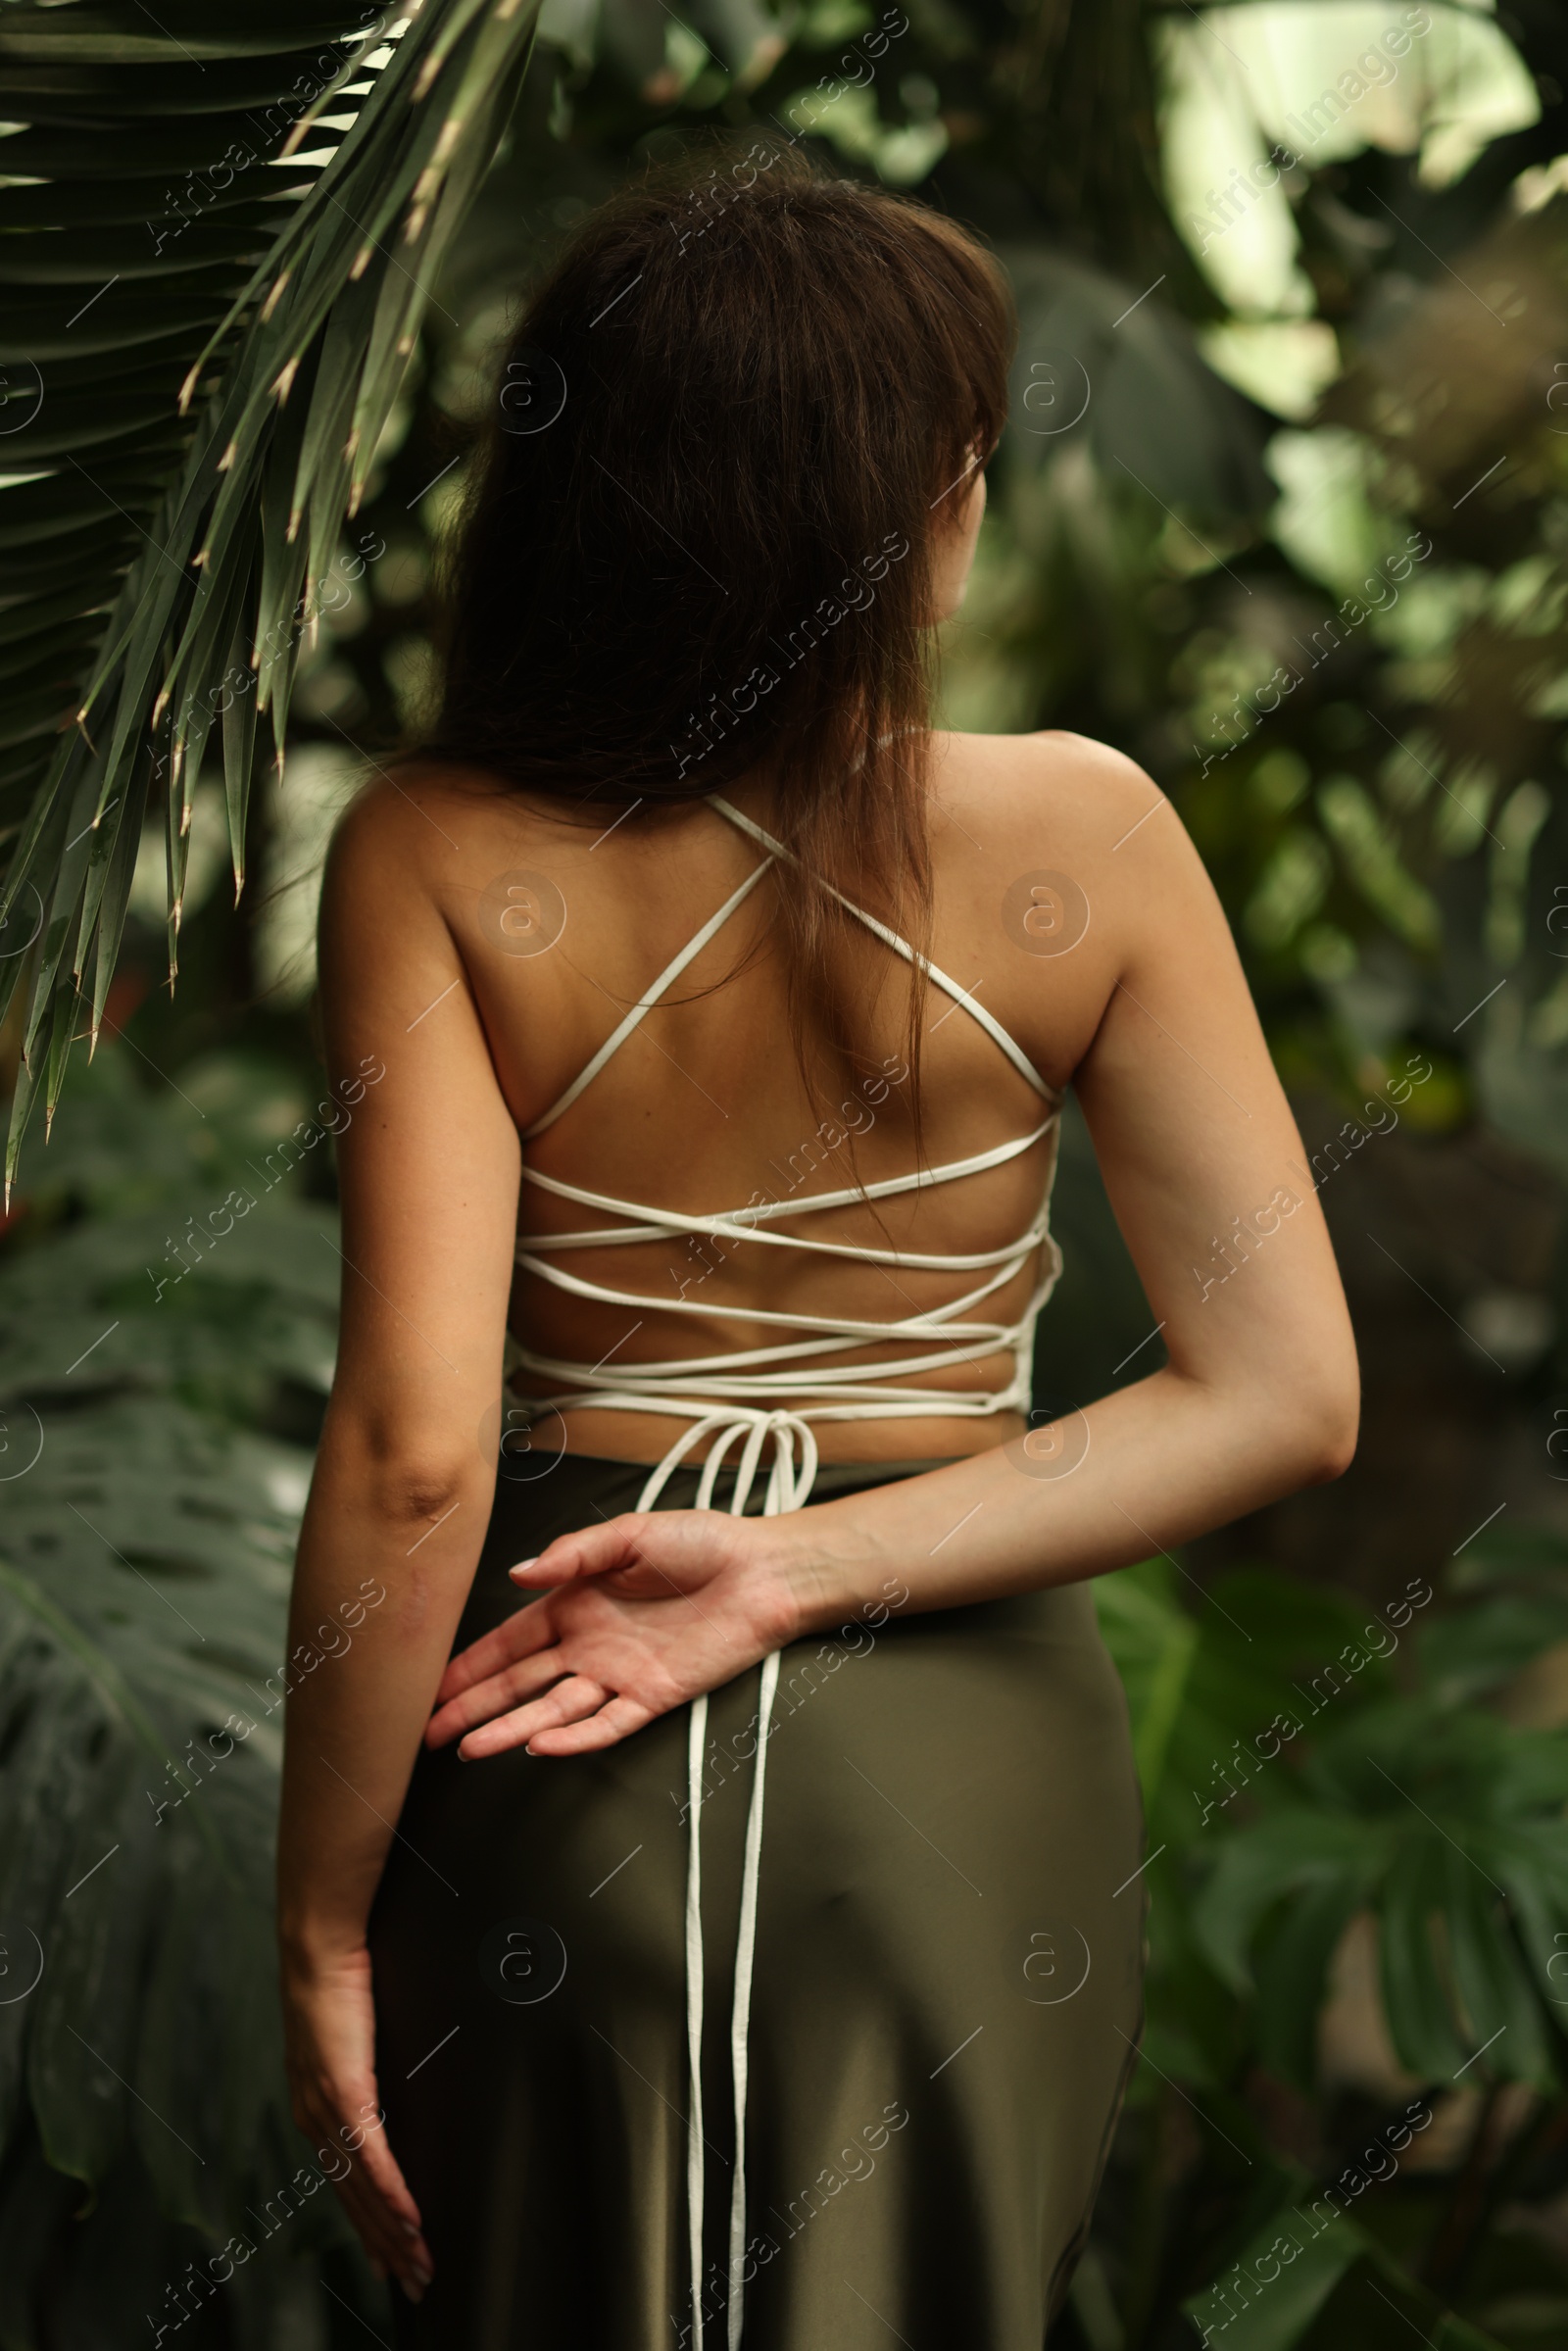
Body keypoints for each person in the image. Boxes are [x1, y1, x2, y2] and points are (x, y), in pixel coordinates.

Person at [275, 146, 1358, 2350]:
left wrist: (317, 1928)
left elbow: (409, 1447)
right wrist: (807, 1570)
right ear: (912, 518)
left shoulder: (436, 849)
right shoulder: (1090, 832)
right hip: (966, 1766)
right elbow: (1282, 1394)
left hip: (550, 1728)